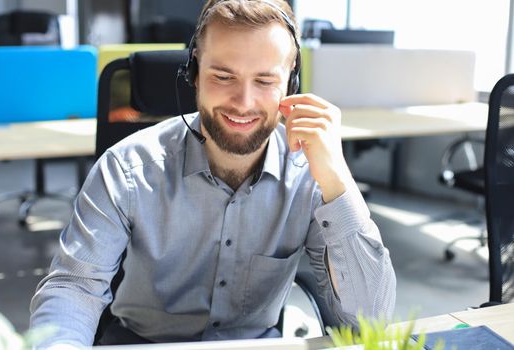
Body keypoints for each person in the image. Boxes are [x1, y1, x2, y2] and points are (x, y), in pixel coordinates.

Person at [30, 0, 396, 348]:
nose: (244, 101)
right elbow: (74, 287)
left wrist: (338, 182)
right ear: (193, 75)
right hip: (143, 344)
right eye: (223, 76)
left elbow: (372, 322)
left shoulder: (311, 176)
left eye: (265, 81)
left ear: (291, 85)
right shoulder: (126, 169)